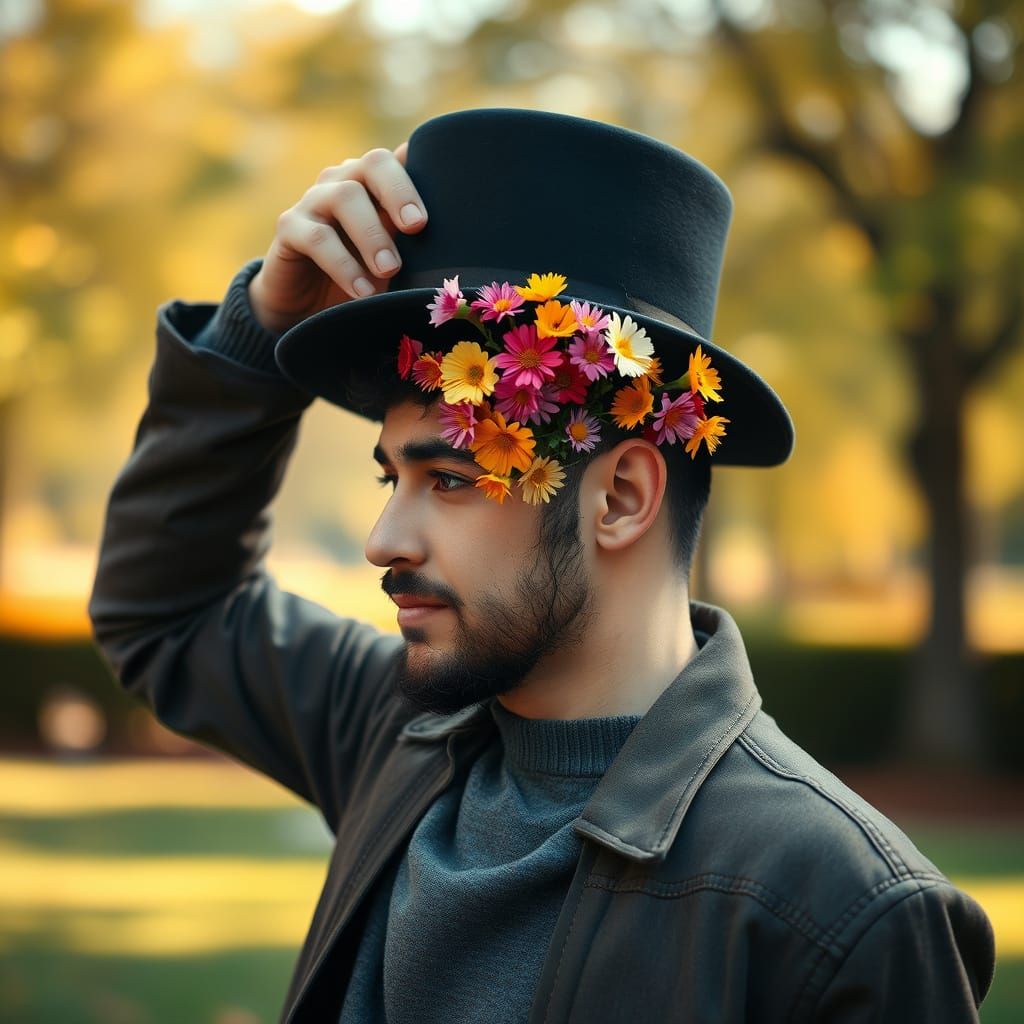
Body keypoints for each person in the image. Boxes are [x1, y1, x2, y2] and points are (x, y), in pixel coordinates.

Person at [88, 108, 995, 1023]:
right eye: (388, 477)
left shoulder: (839, 916)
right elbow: (171, 611)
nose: (383, 540)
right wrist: (257, 331)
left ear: (621, 498)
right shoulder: (399, 742)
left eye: (447, 478)